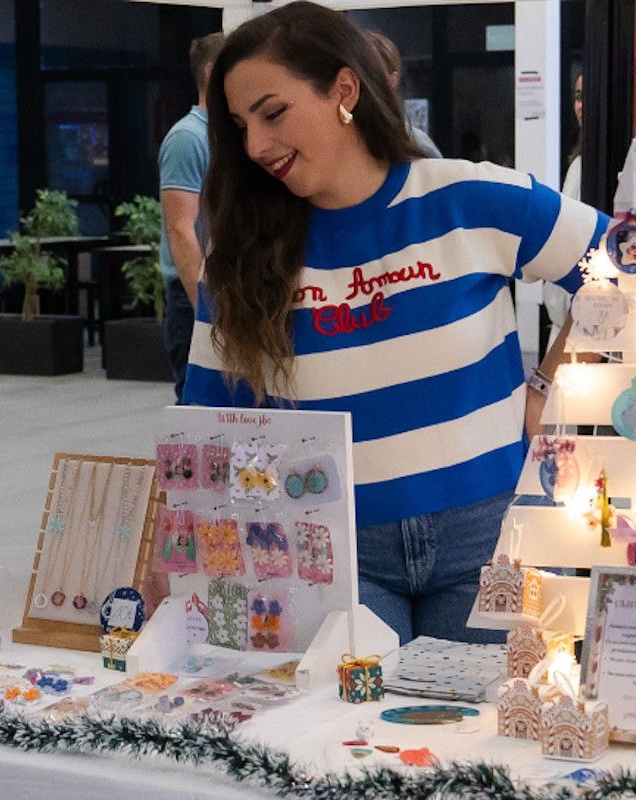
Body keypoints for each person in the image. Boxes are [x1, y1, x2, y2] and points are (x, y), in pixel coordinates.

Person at [183, 1, 608, 644]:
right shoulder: (240, 255)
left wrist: (551, 389)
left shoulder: (469, 198)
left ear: (343, 90)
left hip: (489, 538)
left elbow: (634, 268)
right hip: (320, 546)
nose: (256, 146)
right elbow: (205, 420)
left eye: (273, 113)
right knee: (337, 741)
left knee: (483, 740)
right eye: (240, 125)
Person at [159, 31, 225, 403]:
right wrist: (207, 311)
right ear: (213, 72)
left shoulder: (227, 138)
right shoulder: (188, 139)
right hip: (196, 296)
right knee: (198, 413)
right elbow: (180, 228)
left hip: (227, 290)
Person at [542, 71, 584, 347]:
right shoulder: (579, 162)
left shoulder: (591, 165)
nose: (582, 105)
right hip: (566, 317)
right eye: (579, 96)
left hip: (582, 321)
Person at [362, 30, 442, 159]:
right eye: (358, 71)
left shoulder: (416, 142)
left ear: (392, 79)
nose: (364, 81)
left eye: (372, 73)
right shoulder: (342, 138)